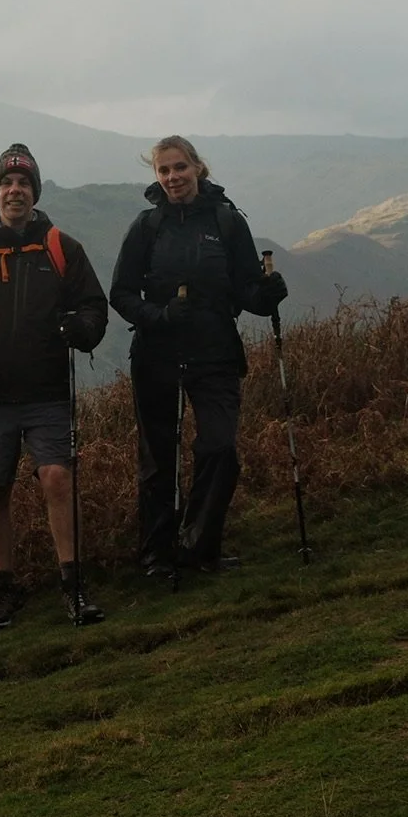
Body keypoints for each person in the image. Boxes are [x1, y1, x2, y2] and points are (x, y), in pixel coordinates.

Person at [0, 143, 110, 630]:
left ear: (35, 192)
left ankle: (72, 585)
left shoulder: (61, 247)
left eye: (24, 184)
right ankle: (4, 589)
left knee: (56, 478)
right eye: (8, 184)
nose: (16, 191)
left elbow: (93, 305)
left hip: (47, 390)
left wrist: (84, 329)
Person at [107, 135, 287, 576]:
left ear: (197, 168)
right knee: (158, 460)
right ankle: (156, 555)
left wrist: (266, 296)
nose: (173, 177)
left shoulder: (227, 221)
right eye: (164, 170)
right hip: (156, 355)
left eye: (180, 167)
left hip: (215, 352)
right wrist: (161, 315)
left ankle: (197, 548)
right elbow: (121, 294)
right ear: (156, 176)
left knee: (219, 448)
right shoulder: (147, 226)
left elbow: (246, 289)